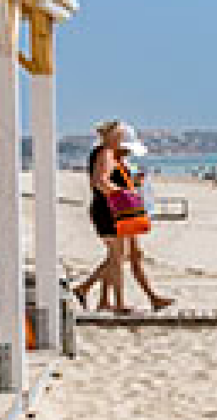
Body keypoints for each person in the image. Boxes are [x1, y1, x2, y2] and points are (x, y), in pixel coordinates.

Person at [72, 121, 172, 314]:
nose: (121, 139)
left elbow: (101, 180)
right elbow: (100, 181)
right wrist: (123, 195)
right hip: (110, 210)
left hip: (108, 209)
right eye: (119, 135)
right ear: (111, 136)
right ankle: (117, 303)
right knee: (117, 257)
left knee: (116, 256)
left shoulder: (106, 153)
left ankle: (97, 296)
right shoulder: (107, 153)